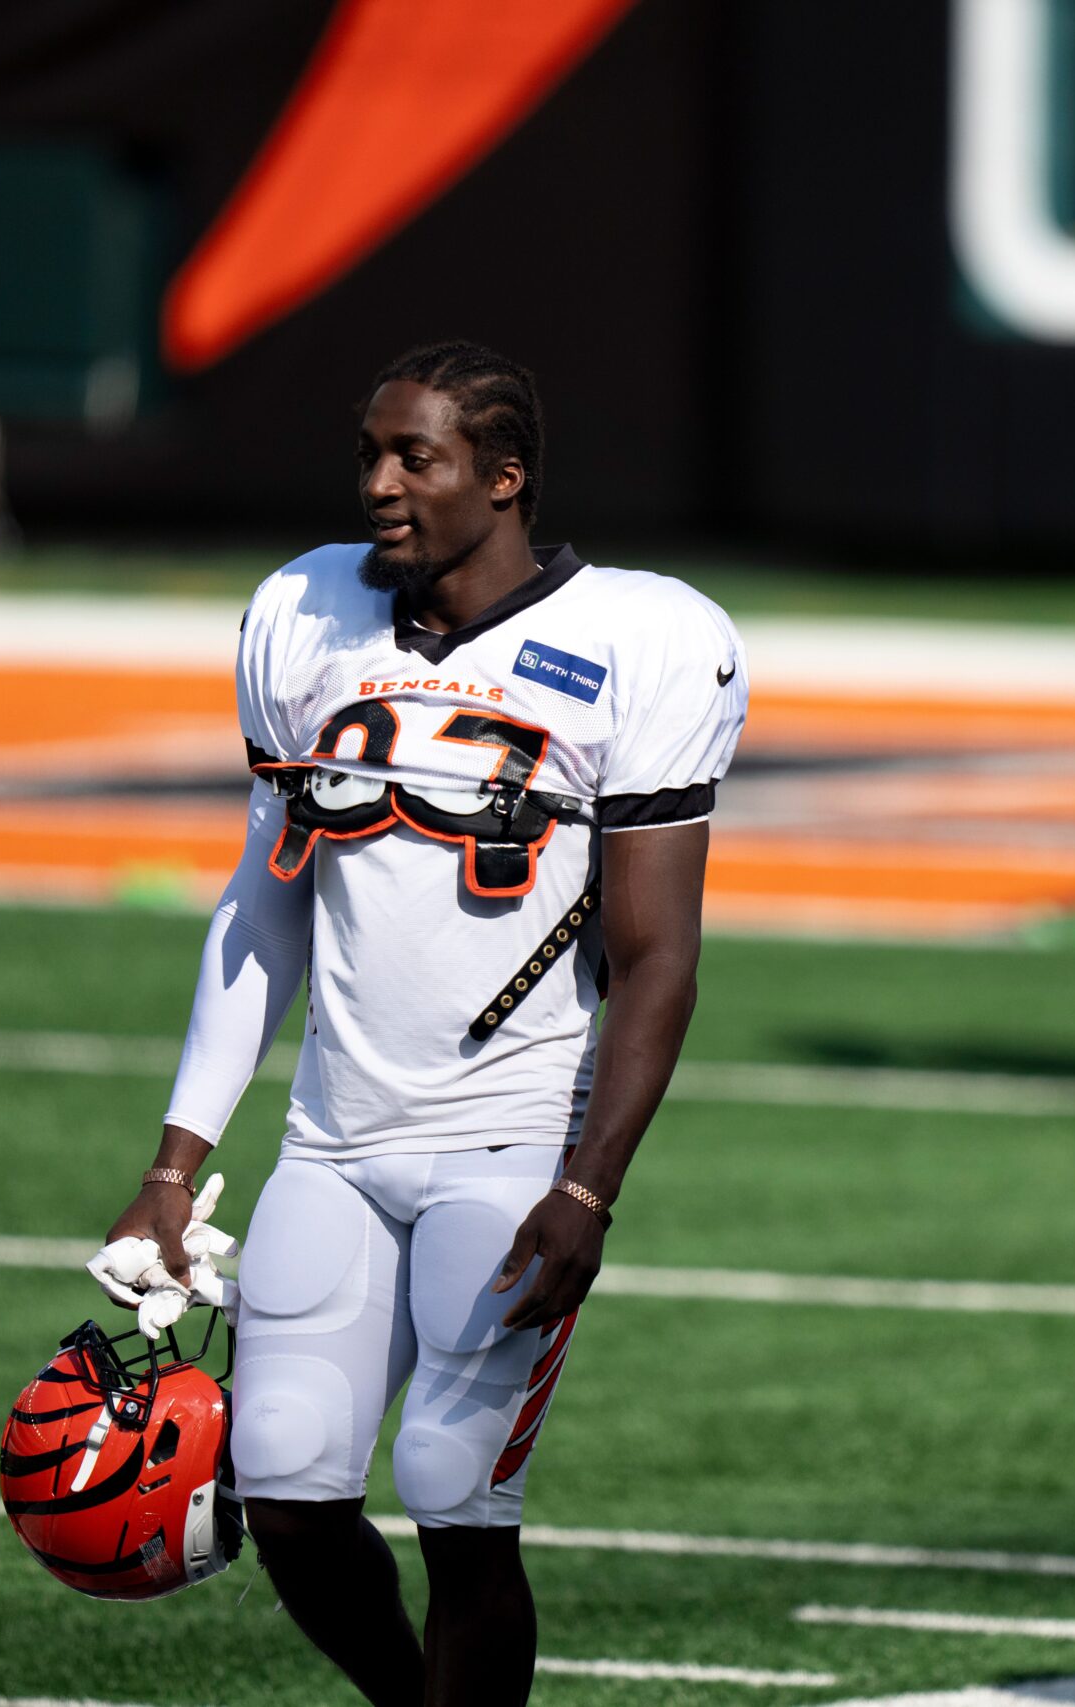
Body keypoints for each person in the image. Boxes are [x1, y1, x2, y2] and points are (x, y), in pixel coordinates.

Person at [100, 340, 748, 1706]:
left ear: (503, 477)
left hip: (514, 1135)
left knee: (457, 1493)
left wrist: (590, 1183)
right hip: (336, 1131)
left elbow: (658, 955)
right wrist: (173, 1164)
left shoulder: (642, 639)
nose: (380, 485)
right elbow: (261, 908)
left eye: (418, 458)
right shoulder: (304, 614)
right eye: (370, 453)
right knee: (283, 1481)